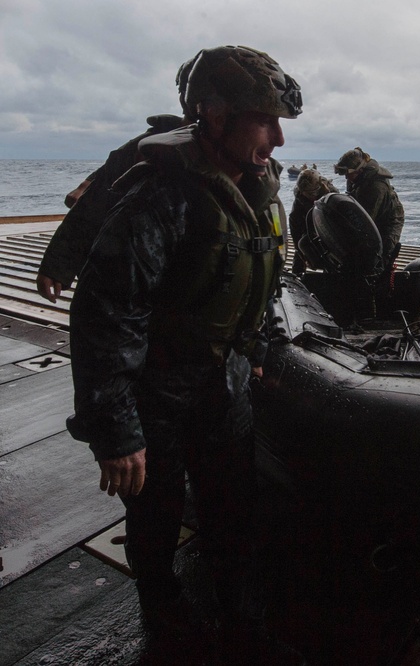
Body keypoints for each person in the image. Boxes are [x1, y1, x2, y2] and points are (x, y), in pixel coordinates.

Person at [66, 45, 303, 662]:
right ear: (215, 116)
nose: (277, 138)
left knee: (235, 518)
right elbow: (105, 313)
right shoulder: (161, 198)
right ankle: (162, 614)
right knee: (155, 521)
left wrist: (255, 352)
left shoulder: (257, 193)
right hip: (158, 399)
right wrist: (117, 432)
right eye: (264, 120)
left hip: (225, 393)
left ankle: (245, 627)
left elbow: (263, 285)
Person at [35, 57, 197, 303]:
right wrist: (58, 264)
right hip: (135, 280)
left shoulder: (241, 155)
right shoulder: (148, 147)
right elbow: (95, 203)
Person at [334, 147, 405, 315]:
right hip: (370, 217)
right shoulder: (355, 179)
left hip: (389, 223)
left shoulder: (376, 186)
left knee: (380, 261)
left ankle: (380, 307)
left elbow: (366, 220)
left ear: (358, 170)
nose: (346, 177)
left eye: (347, 173)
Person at [288, 167, 337, 275]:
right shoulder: (299, 199)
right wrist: (302, 254)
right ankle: (297, 276)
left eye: (313, 193)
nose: (311, 196)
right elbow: (295, 226)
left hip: (327, 224)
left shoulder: (331, 193)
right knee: (301, 247)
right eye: (307, 193)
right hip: (308, 219)